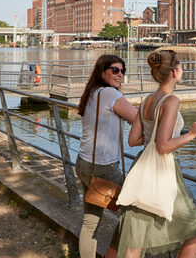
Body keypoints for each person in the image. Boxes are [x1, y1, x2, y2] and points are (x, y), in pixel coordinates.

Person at [117, 50, 196, 258]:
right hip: (163, 169)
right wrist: (192, 134)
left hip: (142, 167)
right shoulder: (171, 101)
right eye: (181, 66)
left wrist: (152, 137)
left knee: (136, 235)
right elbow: (163, 146)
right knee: (195, 228)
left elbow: (133, 140)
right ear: (175, 72)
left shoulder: (147, 100)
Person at [76, 54, 140, 258]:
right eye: (115, 70)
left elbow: (126, 113)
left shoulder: (92, 92)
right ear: (102, 72)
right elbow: (137, 117)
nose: (120, 74)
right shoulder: (111, 94)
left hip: (84, 164)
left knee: (90, 221)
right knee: (133, 213)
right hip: (104, 168)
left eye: (122, 70)